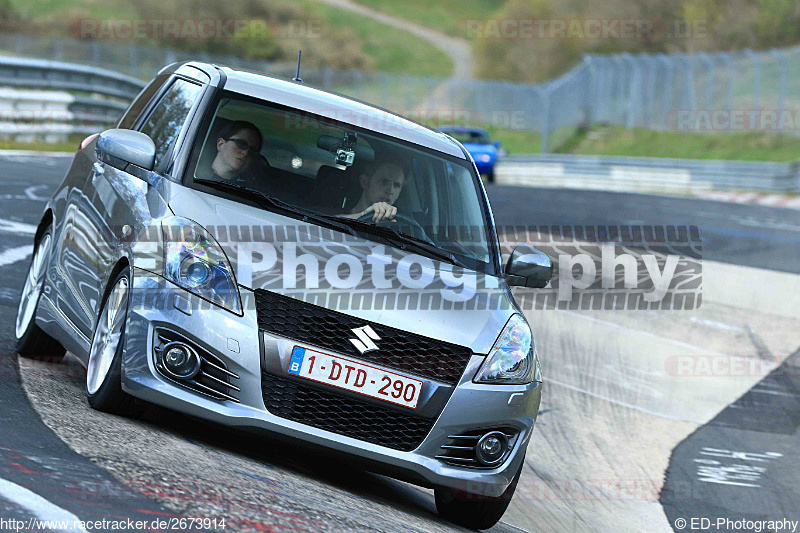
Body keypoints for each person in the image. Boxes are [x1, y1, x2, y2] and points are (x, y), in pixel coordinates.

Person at [341, 161, 405, 222]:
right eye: (384, 182)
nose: (390, 191)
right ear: (364, 182)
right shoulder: (338, 213)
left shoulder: (400, 226)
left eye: (397, 185)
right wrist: (363, 215)